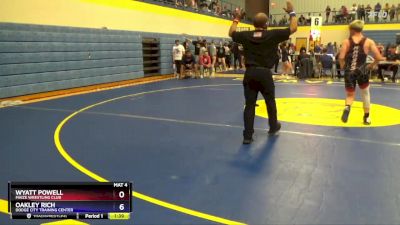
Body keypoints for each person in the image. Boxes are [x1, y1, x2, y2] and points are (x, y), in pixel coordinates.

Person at [229, 1, 297, 144]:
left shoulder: (246, 35)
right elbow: (293, 27)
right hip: (265, 74)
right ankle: (273, 127)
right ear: (266, 24)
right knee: (270, 102)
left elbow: (231, 33)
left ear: (254, 24)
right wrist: (291, 13)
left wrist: (236, 18)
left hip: (250, 73)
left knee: (249, 105)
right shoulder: (272, 34)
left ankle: (247, 136)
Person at [338, 20, 384, 125]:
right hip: (362, 71)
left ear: (352, 30)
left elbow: (341, 57)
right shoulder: (369, 42)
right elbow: (378, 57)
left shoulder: (346, 42)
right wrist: (371, 65)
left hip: (349, 71)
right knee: (365, 93)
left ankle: (347, 108)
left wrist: (343, 67)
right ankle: (366, 118)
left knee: (350, 95)